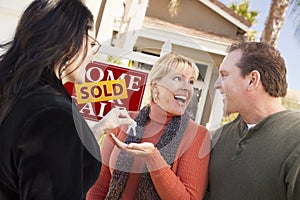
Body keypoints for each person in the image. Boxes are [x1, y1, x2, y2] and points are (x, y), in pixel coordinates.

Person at [0, 0, 133, 199]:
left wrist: (97, 129)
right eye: (92, 44)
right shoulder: (53, 115)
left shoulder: (14, 93)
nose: (92, 57)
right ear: (71, 40)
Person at [86, 53, 210, 200]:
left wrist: (153, 157)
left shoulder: (197, 134)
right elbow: (99, 187)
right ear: (155, 87)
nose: (187, 88)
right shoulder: (124, 122)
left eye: (191, 82)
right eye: (178, 79)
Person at [207, 42, 300, 200]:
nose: (217, 85)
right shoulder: (219, 138)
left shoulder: (295, 139)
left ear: (252, 80)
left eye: (224, 75)